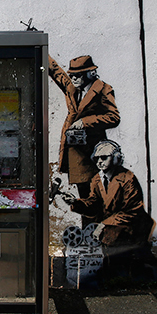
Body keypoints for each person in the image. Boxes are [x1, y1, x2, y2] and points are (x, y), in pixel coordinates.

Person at [61, 140, 155, 277]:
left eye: (104, 157)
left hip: (133, 231)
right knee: (112, 267)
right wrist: (75, 202)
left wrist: (104, 224)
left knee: (135, 268)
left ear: (116, 158)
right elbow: (94, 204)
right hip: (112, 233)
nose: (99, 161)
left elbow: (131, 211)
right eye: (97, 158)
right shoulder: (97, 180)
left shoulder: (127, 179)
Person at [48, 54, 120, 203]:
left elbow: (114, 117)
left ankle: (96, 226)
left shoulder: (103, 89)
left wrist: (86, 122)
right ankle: (89, 225)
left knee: (96, 199)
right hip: (76, 155)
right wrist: (41, 47)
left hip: (93, 154)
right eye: (72, 75)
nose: (73, 79)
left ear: (90, 73)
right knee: (85, 200)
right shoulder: (73, 89)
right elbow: (56, 72)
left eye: (77, 75)